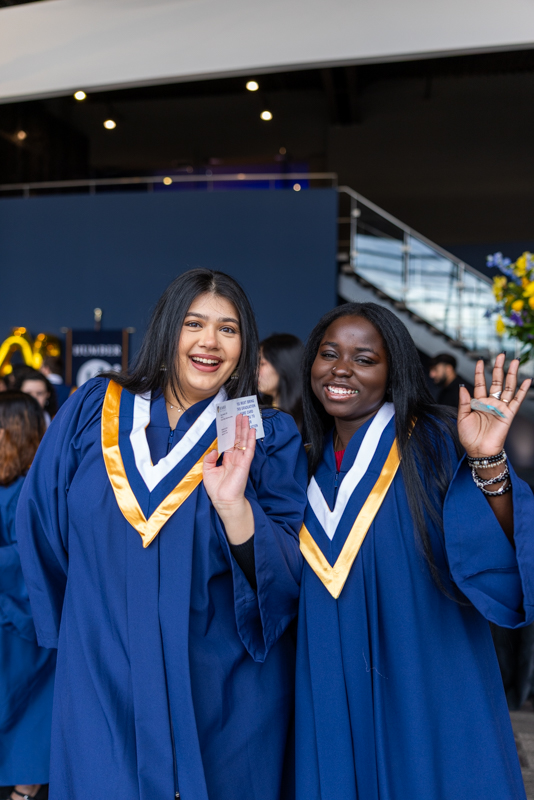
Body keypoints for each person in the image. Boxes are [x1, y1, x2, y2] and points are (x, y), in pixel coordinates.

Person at [17, 269, 308, 800]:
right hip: (102, 675)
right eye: (194, 323)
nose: (210, 341)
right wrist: (84, 630)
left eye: (228, 328)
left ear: (245, 344)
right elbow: (42, 527)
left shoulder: (262, 435)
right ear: (168, 328)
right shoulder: (93, 410)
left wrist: (235, 507)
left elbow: (288, 575)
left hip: (221, 690)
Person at [295, 301, 534, 800]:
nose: (341, 369)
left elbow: (497, 554)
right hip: (331, 681)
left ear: (393, 372)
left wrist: (487, 460)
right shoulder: (300, 462)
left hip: (424, 677)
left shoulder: (435, 441)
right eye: (329, 354)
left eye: (364, 359)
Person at [0, 392, 55, 800]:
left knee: (25, 717)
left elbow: (28, 557)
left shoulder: (27, 492)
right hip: (10, 616)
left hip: (18, 622)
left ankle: (25, 788)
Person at [259, 333, 304, 429]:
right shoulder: (259, 412)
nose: (254, 371)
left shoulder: (309, 417)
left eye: (262, 364)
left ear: (283, 365)